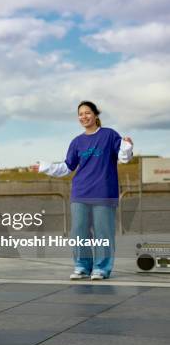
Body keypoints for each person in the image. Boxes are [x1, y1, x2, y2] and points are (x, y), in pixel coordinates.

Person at [31, 101, 133, 280]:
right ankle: (82, 266)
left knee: (103, 232)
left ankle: (101, 268)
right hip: (80, 192)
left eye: (87, 113)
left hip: (103, 192)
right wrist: (45, 167)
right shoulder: (77, 142)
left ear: (95, 115)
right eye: (80, 114)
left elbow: (123, 158)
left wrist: (127, 147)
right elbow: (67, 167)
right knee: (79, 231)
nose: (83, 117)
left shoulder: (109, 135)